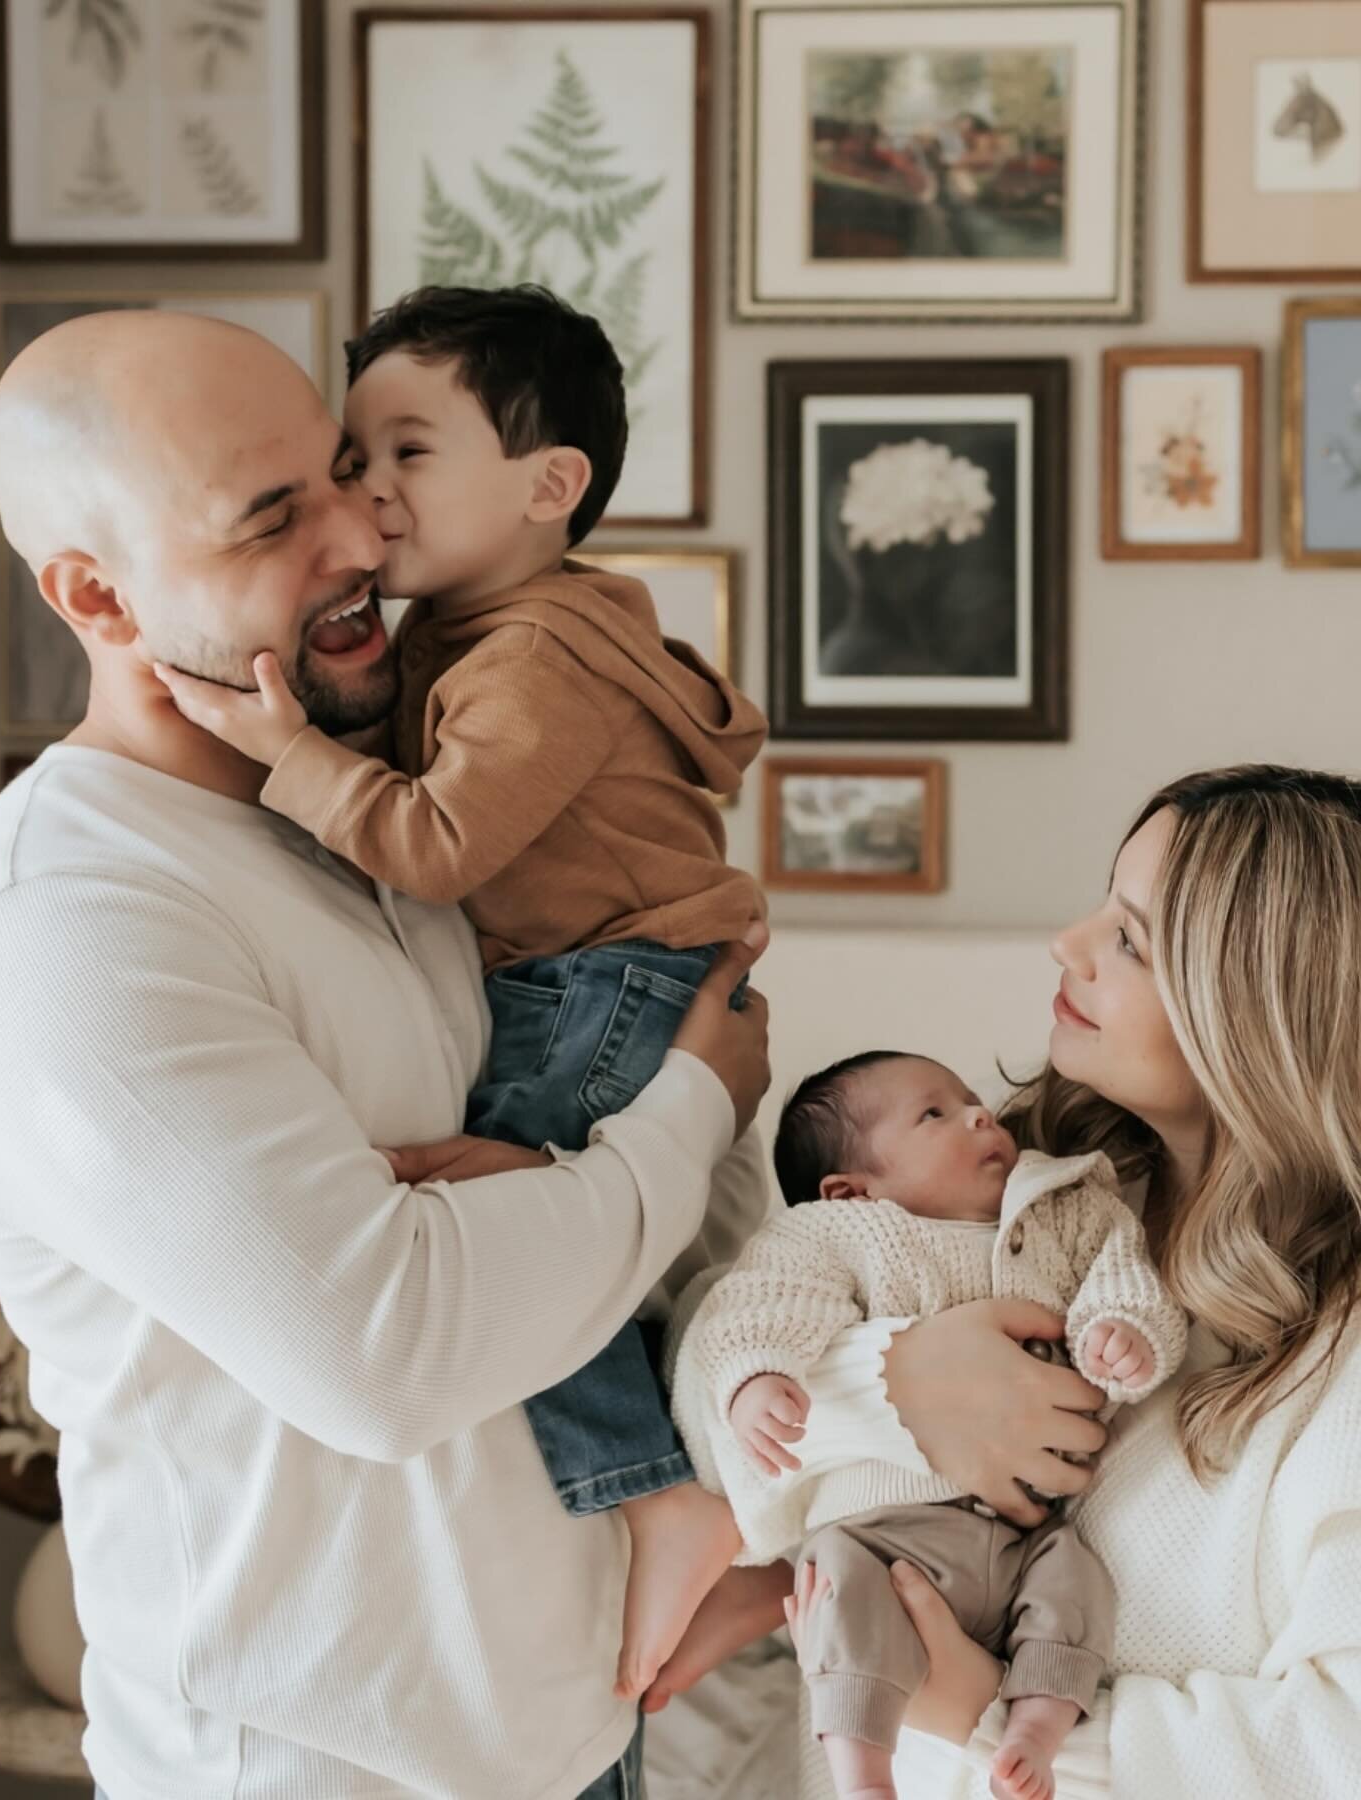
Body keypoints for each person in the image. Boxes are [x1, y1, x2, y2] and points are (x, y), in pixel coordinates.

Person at [0, 309, 772, 1800]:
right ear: (95, 595)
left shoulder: (376, 821)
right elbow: (392, 1348)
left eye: (341, 473)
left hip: (578, 1727)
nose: (360, 536)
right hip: (322, 1770)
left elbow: (552, 1236)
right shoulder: (62, 920)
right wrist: (697, 1099)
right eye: (272, 517)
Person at [153, 283, 769, 1699]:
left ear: (552, 485)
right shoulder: (487, 628)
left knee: (505, 1241)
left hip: (617, 981)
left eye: (405, 454)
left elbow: (435, 847)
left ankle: (666, 1500)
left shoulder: (540, 654)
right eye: (351, 459)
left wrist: (284, 749)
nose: (366, 498)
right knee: (555, 1232)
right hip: (602, 977)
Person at [652, 766, 1361, 1800]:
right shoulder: (1024, 1197)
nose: (1066, 945)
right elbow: (710, 1366)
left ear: (1252, 1016)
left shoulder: (1334, 1366)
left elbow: (1335, 1746)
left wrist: (986, 1718)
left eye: (1130, 938)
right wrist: (889, 1388)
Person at [674, 1051, 1185, 1800]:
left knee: (1077, 1583)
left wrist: (1124, 1331)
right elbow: (760, 1303)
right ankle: (863, 1774)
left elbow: (1124, 1272)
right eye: (934, 1114)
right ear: (851, 1191)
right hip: (881, 1532)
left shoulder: (1064, 1202)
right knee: (838, 1593)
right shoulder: (839, 1236)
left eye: (972, 1098)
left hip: (1028, 1534)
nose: (980, 1114)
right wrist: (757, 1376)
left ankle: (1036, 1731)